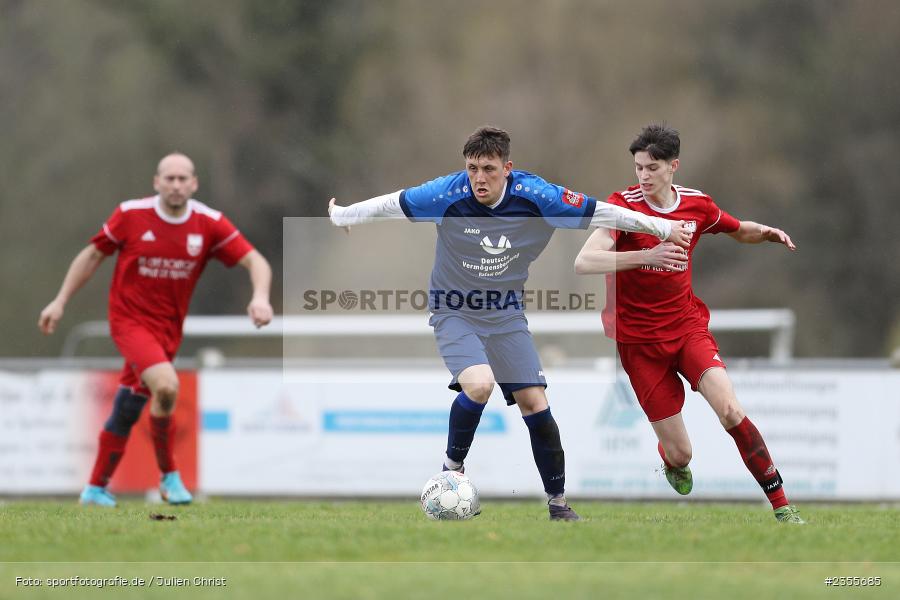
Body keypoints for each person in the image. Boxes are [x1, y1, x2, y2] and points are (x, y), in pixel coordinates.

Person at [329, 126, 692, 520]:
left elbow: (600, 212)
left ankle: (558, 504)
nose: (479, 178)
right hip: (454, 311)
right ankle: (451, 472)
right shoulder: (447, 193)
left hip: (505, 313)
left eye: (488, 168)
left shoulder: (538, 196)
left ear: (507, 168)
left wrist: (661, 227)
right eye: (472, 169)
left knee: (535, 402)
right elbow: (395, 203)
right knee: (480, 384)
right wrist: (344, 214)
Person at [574, 124, 805, 523]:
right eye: (638, 168)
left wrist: (765, 232)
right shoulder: (623, 208)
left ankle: (782, 506)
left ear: (673, 166)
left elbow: (737, 230)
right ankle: (671, 460)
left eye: (652, 168)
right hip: (640, 345)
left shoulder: (696, 205)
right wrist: (646, 256)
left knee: (730, 410)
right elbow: (584, 262)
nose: (643, 176)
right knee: (682, 454)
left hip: (687, 330)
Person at [38, 153, 273, 507]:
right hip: (129, 321)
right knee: (166, 385)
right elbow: (92, 255)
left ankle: (95, 489)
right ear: (156, 182)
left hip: (168, 331)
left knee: (130, 405)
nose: (176, 185)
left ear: (194, 183)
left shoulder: (209, 223)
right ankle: (169, 475)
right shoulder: (131, 215)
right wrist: (59, 301)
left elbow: (256, 261)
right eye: (169, 178)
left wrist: (260, 297)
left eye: (183, 179)